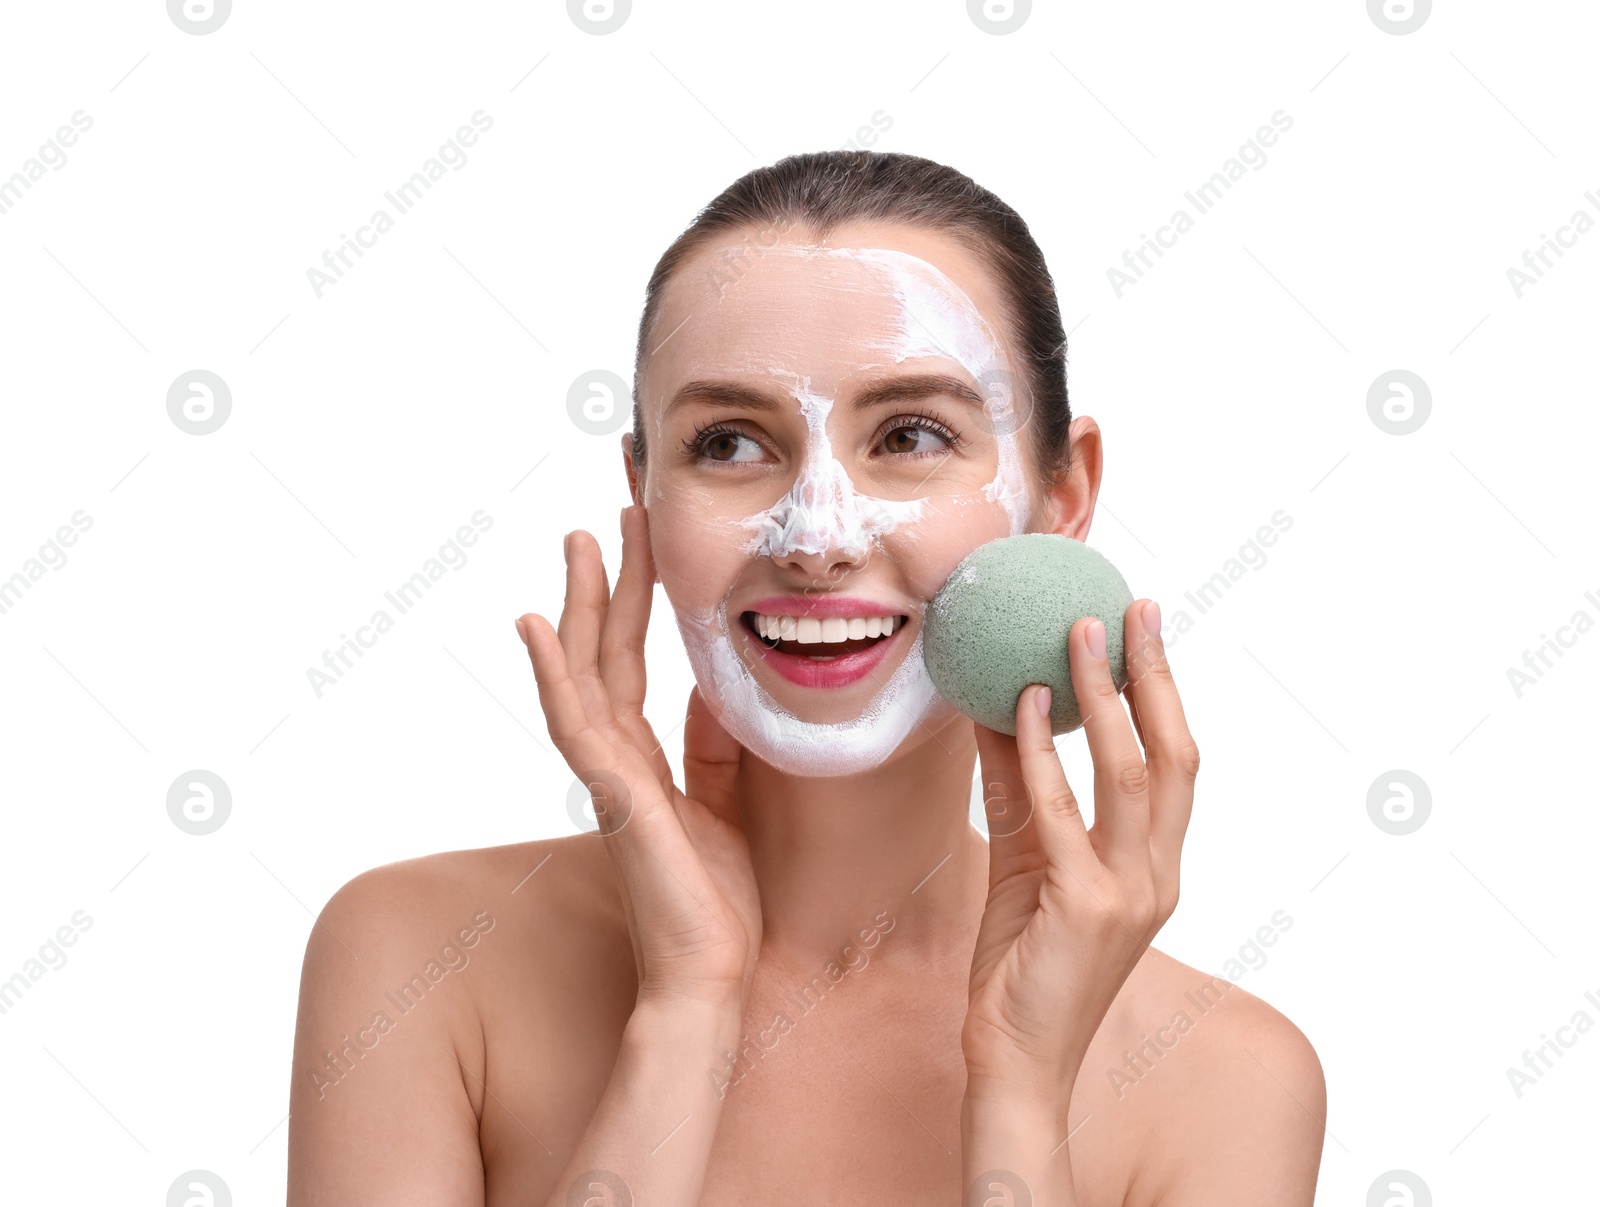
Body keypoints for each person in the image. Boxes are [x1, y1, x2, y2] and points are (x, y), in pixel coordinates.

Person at [286, 150, 1325, 1206]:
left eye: (911, 435)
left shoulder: (1226, 1078)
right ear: (642, 491)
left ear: (1062, 494)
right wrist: (685, 1013)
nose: (817, 538)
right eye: (730, 442)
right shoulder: (418, 962)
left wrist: (1019, 1089)